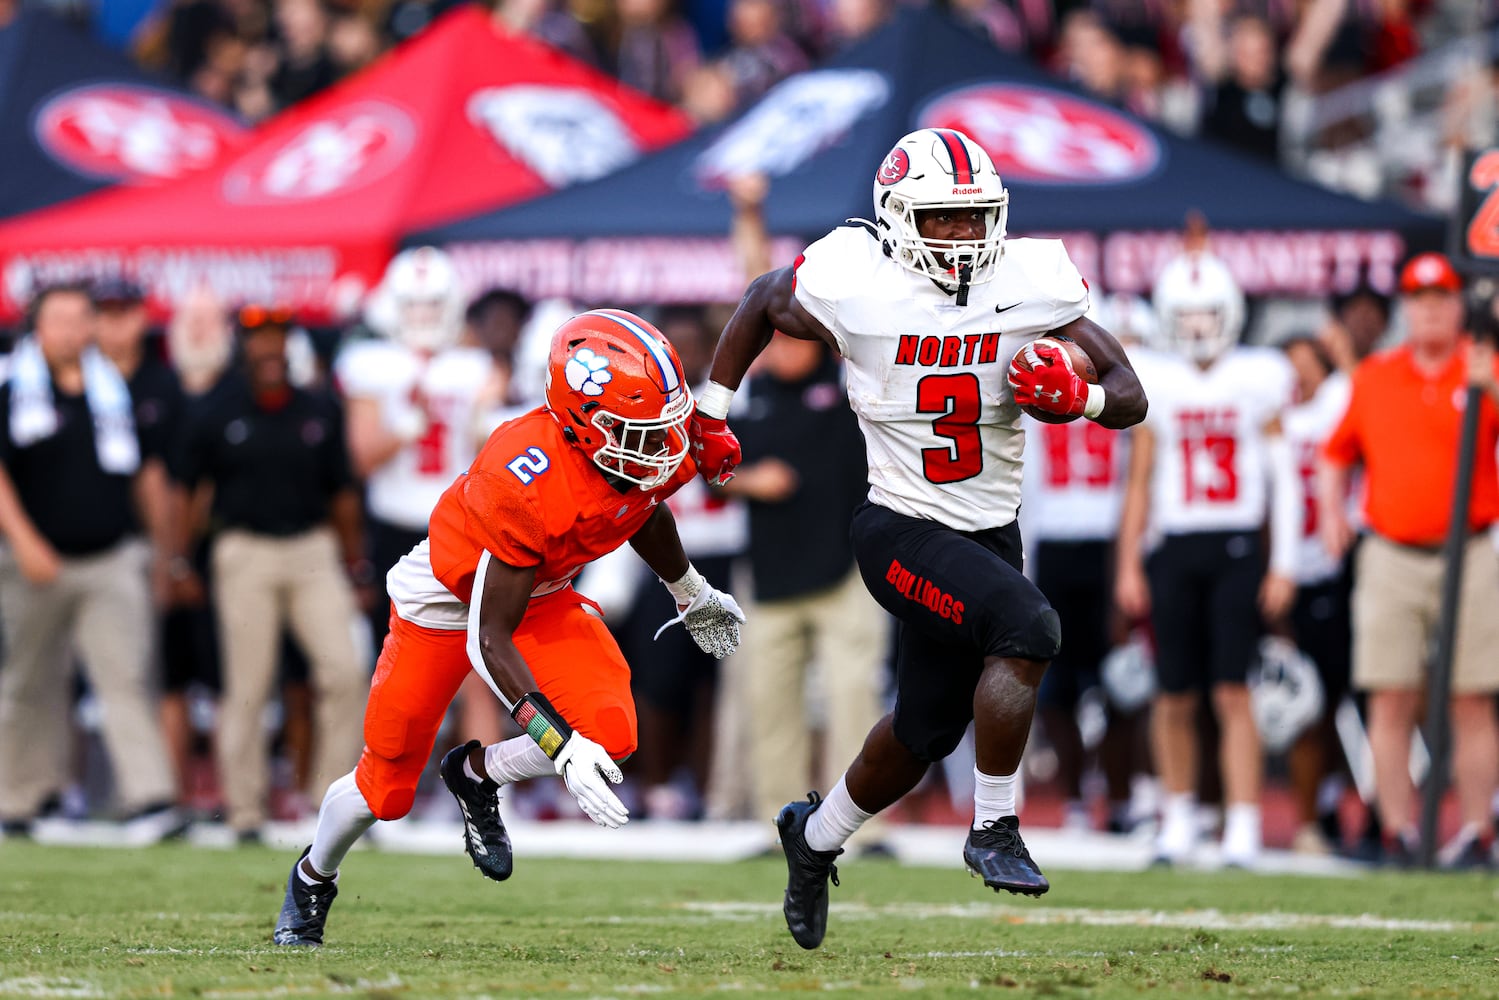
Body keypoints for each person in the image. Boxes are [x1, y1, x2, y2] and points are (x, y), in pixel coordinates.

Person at [690, 127, 1147, 950]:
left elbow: (1128, 394)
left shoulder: (1030, 277)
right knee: (1030, 627)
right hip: (899, 525)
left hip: (989, 531)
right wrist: (710, 412)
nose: (963, 238)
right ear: (898, 217)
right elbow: (763, 296)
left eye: (975, 219)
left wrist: (1074, 399)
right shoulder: (855, 279)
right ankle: (995, 827)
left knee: (922, 731)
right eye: (941, 219)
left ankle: (814, 835)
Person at [273, 309, 746, 947]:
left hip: (543, 595)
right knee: (384, 791)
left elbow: (643, 505)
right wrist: (558, 746)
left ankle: (476, 774)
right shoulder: (522, 479)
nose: (660, 448)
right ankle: (312, 875)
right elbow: (486, 637)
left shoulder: (640, 443)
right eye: (640, 435)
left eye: (662, 429)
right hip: (448, 604)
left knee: (610, 734)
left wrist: (687, 587)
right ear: (585, 423)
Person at [1115, 252, 1300, 869]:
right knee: (1172, 694)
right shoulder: (1157, 377)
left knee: (1232, 691)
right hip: (1175, 546)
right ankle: (1178, 818)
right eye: (1185, 316)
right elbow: (1139, 481)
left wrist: (1285, 564)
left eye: (1208, 315)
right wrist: (1129, 564)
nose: (1197, 328)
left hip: (1237, 545)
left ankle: (1242, 823)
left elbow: (1283, 476)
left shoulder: (1259, 375)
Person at [1318, 252, 1499, 868]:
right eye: (1418, 300)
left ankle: (1477, 830)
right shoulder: (1376, 376)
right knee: (1388, 695)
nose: (1428, 310)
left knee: (1471, 698)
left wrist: (1490, 383)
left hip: (1468, 549)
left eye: (1439, 298)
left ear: (1457, 306)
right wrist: (1332, 511)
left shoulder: (1481, 369)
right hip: (1391, 550)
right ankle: (1397, 830)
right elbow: (1336, 451)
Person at [169, 305, 370, 843]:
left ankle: (333, 802)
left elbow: (343, 492)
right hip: (244, 549)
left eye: (278, 338)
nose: (269, 349)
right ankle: (245, 811)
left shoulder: (319, 407)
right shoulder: (217, 407)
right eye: (260, 339)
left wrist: (357, 563)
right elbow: (189, 490)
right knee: (249, 685)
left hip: (312, 546)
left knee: (345, 671)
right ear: (244, 347)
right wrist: (180, 558)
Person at [0, 283, 179, 838]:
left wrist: (162, 554)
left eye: (83, 319)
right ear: (38, 327)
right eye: (60, 320)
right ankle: (23, 798)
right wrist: (24, 541)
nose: (73, 331)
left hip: (111, 556)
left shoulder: (115, 390)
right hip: (36, 559)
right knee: (31, 680)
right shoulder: (13, 388)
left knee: (125, 675)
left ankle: (149, 798)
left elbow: (149, 475)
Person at [337, 247, 498, 654]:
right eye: (413, 304)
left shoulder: (477, 367)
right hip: (394, 523)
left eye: (433, 304)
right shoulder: (372, 362)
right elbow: (361, 458)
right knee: (395, 653)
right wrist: (405, 430)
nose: (424, 315)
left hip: (459, 527)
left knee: (474, 662)